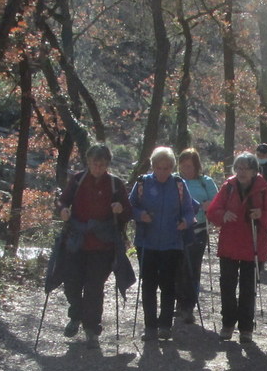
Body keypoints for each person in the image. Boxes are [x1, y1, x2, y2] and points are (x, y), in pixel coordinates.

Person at [57, 144, 132, 349]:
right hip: (76, 241)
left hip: (103, 244)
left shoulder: (115, 184)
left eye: (102, 164)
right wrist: (63, 210)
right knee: (71, 282)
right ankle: (76, 315)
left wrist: (120, 208)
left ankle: (92, 328)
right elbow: (63, 201)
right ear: (88, 162)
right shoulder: (78, 180)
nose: (97, 168)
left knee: (94, 287)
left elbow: (127, 213)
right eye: (94, 164)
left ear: (107, 164)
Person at [206, 152, 267, 344]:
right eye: (238, 168)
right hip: (229, 245)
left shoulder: (263, 189)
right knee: (227, 287)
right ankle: (228, 324)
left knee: (248, 289)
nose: (241, 172)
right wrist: (223, 214)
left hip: (253, 247)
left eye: (245, 168)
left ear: (254, 171)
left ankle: (246, 328)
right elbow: (212, 211)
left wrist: (261, 214)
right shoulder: (228, 187)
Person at [130, 147, 197, 342]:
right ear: (152, 166)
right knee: (149, 285)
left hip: (172, 243)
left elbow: (190, 209)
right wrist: (140, 215)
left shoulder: (178, 184)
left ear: (172, 168)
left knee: (168, 286)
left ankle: (165, 325)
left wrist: (185, 221)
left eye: (167, 168)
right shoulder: (142, 183)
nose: (162, 172)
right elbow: (130, 205)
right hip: (147, 243)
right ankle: (150, 326)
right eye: (159, 168)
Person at [174, 148, 219, 325]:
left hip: (198, 229)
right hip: (177, 230)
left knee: (193, 267)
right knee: (177, 267)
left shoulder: (205, 182)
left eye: (190, 166)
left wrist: (209, 205)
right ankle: (178, 302)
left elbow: (217, 202)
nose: (186, 169)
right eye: (183, 166)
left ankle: (188, 306)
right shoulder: (175, 180)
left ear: (197, 166)